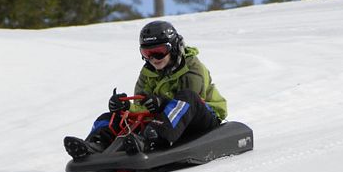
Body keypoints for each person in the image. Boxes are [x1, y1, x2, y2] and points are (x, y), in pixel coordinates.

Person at [64, 21, 227, 159]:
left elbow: (190, 103)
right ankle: (95, 145)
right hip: (164, 121)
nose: (153, 59)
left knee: (187, 97)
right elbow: (141, 106)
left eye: (159, 52)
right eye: (147, 53)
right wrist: (125, 107)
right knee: (111, 116)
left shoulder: (192, 67)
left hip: (202, 118)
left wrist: (161, 103)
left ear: (174, 48)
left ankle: (149, 141)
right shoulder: (147, 73)